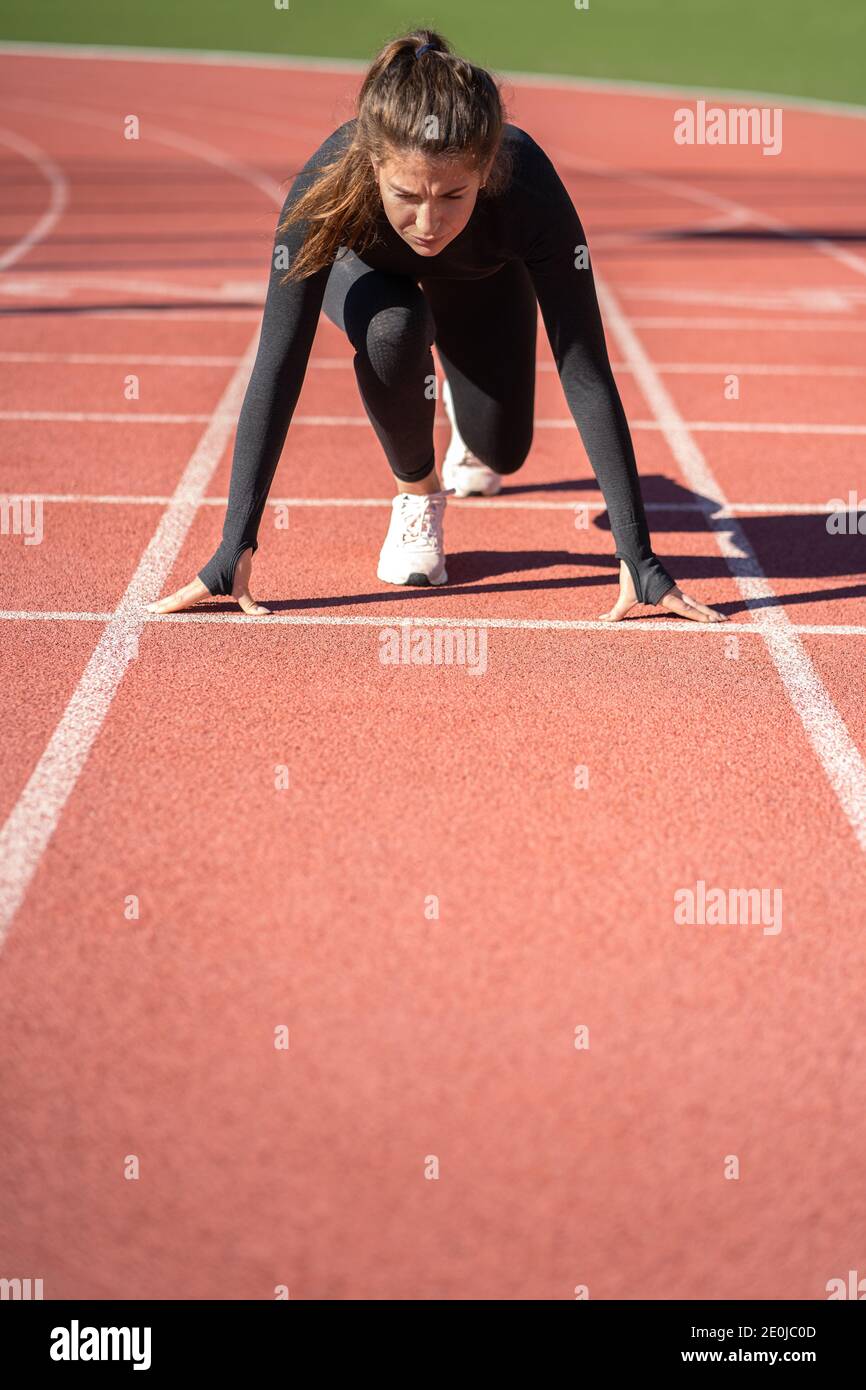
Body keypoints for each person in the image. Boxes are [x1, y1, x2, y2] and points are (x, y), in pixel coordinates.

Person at [147, 28, 726, 624]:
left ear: (487, 167)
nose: (428, 222)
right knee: (394, 329)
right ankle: (418, 491)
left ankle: (452, 381)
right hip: (372, 275)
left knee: (504, 449)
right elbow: (278, 363)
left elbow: (583, 369)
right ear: (372, 165)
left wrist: (639, 559)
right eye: (405, 194)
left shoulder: (529, 186)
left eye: (454, 194)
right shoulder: (324, 187)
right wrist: (232, 549)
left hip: (482, 275)